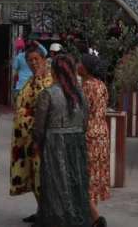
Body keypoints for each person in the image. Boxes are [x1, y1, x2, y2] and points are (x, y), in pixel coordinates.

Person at [33, 53, 91, 227]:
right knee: (76, 183)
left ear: (55, 72)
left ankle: (56, 221)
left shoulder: (48, 94)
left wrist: (38, 144)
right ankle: (77, 219)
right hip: (77, 143)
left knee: (55, 185)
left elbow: (39, 127)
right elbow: (85, 122)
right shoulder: (80, 95)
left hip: (54, 145)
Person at [9, 42, 53, 223]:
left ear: (43, 60)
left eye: (36, 59)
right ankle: (40, 211)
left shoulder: (48, 81)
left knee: (41, 176)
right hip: (24, 139)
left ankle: (46, 214)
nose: (33, 63)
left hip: (38, 137)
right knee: (32, 176)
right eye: (30, 60)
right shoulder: (30, 80)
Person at [79, 54, 111, 227]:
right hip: (101, 132)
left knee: (84, 176)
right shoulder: (101, 85)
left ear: (85, 68)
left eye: (80, 63)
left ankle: (96, 218)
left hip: (88, 134)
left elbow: (81, 112)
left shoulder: (86, 86)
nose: (77, 65)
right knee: (95, 175)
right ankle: (90, 217)